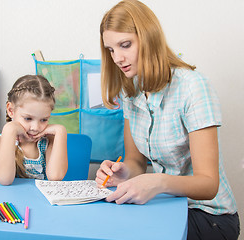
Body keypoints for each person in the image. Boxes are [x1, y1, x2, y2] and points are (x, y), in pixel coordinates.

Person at [95, 0, 240, 239]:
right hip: (167, 206)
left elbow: (208, 184)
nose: (118, 58)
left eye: (125, 45)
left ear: (149, 38)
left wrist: (157, 182)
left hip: (209, 216)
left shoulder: (193, 86)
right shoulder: (131, 90)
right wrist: (124, 173)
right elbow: (135, 162)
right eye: (110, 50)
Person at [0, 74, 68, 186]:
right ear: (11, 110)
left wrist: (61, 131)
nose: (35, 127)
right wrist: (9, 129)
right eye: (28, 118)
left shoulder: (48, 141)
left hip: (41, 202)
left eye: (44, 119)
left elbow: (55, 176)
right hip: (12, 201)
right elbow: (4, 179)